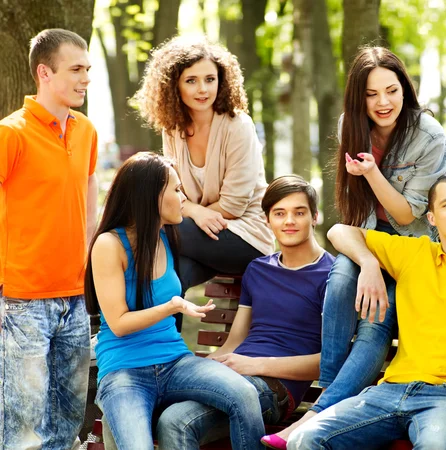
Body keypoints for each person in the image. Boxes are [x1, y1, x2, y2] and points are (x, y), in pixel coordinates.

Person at [265, 45, 446, 446]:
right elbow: (349, 220)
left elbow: (406, 216)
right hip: (368, 242)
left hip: (412, 252)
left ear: (406, 89)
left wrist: (371, 173)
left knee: (372, 323)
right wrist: (367, 261)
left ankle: (320, 415)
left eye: (392, 90)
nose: (383, 102)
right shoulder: (350, 126)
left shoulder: (428, 137)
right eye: (371, 94)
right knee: (342, 276)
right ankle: (328, 401)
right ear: (358, 97)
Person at [285, 175, 446, 450]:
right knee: (305, 439)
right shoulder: (414, 252)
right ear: (431, 218)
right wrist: (369, 263)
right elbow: (338, 231)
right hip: (388, 390)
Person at [86, 152, 265, 450]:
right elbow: (118, 324)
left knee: (245, 395)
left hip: (175, 362)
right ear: (152, 196)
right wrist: (173, 306)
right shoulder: (109, 244)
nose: (183, 197)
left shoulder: (167, 237)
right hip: (125, 372)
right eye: (177, 190)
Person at [0, 28, 98, 449]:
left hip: (74, 297)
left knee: (69, 417)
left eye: (88, 69)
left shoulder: (87, 131)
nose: (85, 78)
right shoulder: (11, 133)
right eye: (76, 69)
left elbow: (90, 208)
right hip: (22, 300)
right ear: (45, 72)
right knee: (24, 425)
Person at [133, 35, 274, 306]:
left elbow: (232, 206)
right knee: (173, 275)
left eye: (210, 79)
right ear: (173, 85)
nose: (203, 89)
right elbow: (172, 193)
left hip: (245, 237)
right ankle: (164, 346)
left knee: (154, 230)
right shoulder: (172, 128)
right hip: (197, 234)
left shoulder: (237, 126)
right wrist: (193, 212)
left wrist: (190, 212)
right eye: (191, 80)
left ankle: (99, 311)